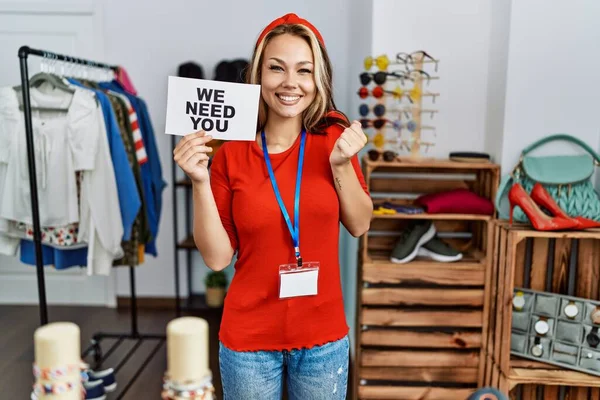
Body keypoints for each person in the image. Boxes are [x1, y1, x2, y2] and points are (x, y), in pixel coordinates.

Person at [173, 13, 373, 399]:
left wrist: (341, 164)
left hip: (322, 341)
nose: (290, 83)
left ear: (319, 79)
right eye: (276, 68)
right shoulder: (230, 151)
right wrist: (199, 180)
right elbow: (217, 259)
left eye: (304, 70)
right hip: (248, 341)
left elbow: (360, 224)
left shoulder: (335, 138)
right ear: (258, 75)